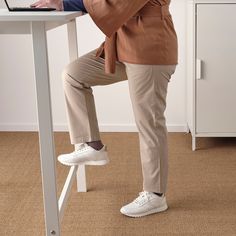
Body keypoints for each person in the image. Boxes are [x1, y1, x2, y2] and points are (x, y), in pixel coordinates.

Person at [30, 0, 178, 218]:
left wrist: (65, 2)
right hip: (124, 43)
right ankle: (93, 146)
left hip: (150, 45)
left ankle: (155, 195)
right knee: (74, 75)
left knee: (149, 122)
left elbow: (117, 2)